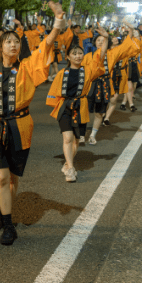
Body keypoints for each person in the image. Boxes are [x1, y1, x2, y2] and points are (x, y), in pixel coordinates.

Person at [0, 0, 66, 245]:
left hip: (20, 129)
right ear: (0, 47)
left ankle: (2, 212)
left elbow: (46, 45)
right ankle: (9, 224)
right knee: (1, 178)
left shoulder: (28, 68)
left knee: (12, 178)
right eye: (8, 41)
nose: (13, 45)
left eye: (16, 42)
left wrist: (57, 22)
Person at [46, 24, 108, 182]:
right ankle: (71, 169)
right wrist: (58, 109)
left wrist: (106, 39)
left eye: (80, 53)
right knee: (67, 138)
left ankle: (68, 164)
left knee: (76, 140)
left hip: (81, 107)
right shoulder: (62, 73)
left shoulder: (88, 71)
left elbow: (100, 57)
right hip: (65, 107)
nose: (78, 56)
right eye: (74, 54)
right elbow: (54, 94)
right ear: (68, 57)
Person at [85, 24, 140, 144]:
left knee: (100, 112)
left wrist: (131, 30)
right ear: (94, 43)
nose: (100, 42)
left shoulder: (113, 53)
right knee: (83, 110)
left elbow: (125, 45)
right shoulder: (88, 56)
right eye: (98, 40)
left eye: (103, 40)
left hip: (105, 84)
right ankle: (80, 134)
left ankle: (93, 135)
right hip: (89, 86)